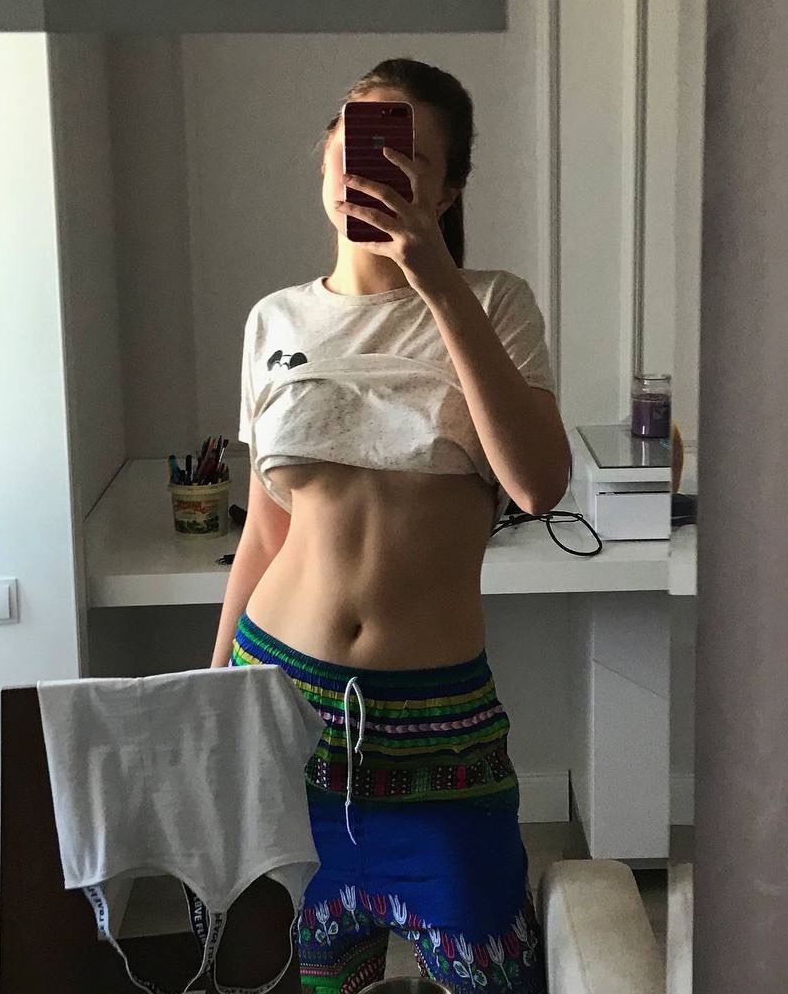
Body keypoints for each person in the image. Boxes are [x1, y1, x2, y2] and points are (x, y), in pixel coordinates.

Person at [211, 58, 571, 994]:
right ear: (326, 157)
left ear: (446, 190)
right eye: (354, 137)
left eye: (407, 153)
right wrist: (214, 701)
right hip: (281, 705)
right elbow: (266, 533)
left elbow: (537, 485)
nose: (367, 165)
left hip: (436, 732)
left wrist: (436, 279)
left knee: (491, 969)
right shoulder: (274, 320)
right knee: (318, 972)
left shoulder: (493, 304)